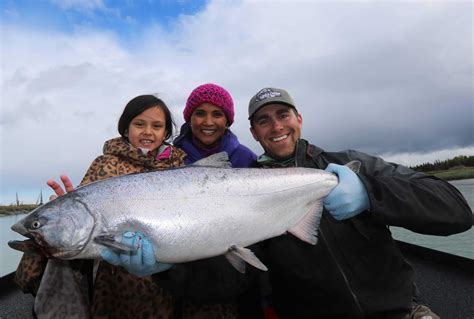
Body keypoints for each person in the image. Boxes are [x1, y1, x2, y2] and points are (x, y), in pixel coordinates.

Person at [245, 87, 473, 318]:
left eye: (283, 115)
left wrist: (370, 193)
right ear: (254, 132)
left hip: (402, 311)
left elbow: (457, 211)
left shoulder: (350, 163)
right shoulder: (244, 191)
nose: (277, 127)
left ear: (299, 119)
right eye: (264, 121)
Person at [14, 94, 187, 318]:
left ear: (165, 133)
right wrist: (64, 213)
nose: (148, 131)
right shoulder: (105, 163)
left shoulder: (178, 167)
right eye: (139, 124)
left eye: (156, 126)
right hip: (111, 277)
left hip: (161, 277)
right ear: (126, 129)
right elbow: (83, 214)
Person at [173, 83, 256, 167]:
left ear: (227, 122)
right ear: (190, 120)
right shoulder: (170, 158)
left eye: (217, 115)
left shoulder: (248, 159)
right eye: (200, 114)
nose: (208, 122)